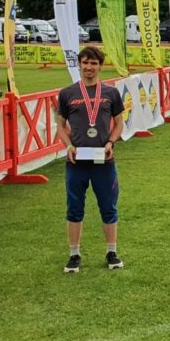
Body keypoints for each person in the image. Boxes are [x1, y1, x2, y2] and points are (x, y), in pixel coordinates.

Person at [56, 46, 125, 273]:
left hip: (103, 161)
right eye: (85, 62)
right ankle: (74, 255)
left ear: (100, 67)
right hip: (77, 162)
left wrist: (110, 143)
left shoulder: (111, 93)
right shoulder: (67, 93)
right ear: (79, 64)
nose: (89, 67)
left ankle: (111, 251)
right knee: (74, 208)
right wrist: (68, 146)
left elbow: (119, 123)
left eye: (94, 63)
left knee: (108, 207)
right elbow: (59, 126)